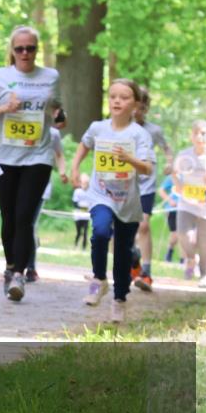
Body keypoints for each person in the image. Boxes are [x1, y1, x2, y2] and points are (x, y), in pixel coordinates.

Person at [0, 25, 62, 302]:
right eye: (20, 49)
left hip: (38, 156)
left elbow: (58, 110)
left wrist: (60, 116)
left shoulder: (51, 76)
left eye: (30, 48)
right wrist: (5, 109)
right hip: (5, 157)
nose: (25, 53)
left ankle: (19, 274)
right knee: (9, 217)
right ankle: (9, 267)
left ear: (37, 50)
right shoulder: (0, 77)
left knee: (25, 216)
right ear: (12, 51)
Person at [70, 79, 155, 323]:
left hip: (127, 201)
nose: (117, 101)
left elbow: (147, 168)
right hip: (100, 194)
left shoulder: (139, 134)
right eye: (113, 96)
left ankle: (119, 299)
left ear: (136, 105)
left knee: (123, 253)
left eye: (124, 97)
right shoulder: (98, 128)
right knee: (99, 231)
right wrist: (75, 167)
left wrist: (130, 159)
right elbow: (84, 146)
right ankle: (98, 280)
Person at [131, 88, 173, 292]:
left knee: (144, 226)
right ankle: (133, 263)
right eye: (134, 106)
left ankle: (146, 273)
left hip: (146, 183)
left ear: (145, 108)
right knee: (117, 230)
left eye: (140, 107)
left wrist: (170, 163)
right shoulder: (119, 127)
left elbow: (166, 148)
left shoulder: (154, 130)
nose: (136, 111)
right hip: (123, 183)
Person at [26, 105, 68, 282]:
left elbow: (59, 154)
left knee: (29, 224)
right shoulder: (24, 126)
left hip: (41, 185)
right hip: (19, 181)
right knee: (19, 224)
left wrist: (63, 171)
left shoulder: (54, 134)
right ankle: (28, 248)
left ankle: (30, 268)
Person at [173, 120, 206, 288]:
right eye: (196, 133)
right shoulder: (184, 154)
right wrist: (179, 187)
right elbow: (174, 173)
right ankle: (190, 259)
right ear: (191, 136)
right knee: (183, 234)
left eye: (203, 133)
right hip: (186, 203)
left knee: (205, 241)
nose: (199, 137)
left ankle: (204, 275)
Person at [157, 173, 180, 262]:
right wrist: (170, 201)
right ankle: (169, 252)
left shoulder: (190, 177)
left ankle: (184, 258)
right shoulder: (172, 176)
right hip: (173, 209)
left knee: (185, 234)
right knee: (175, 233)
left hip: (186, 209)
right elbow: (161, 190)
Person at [73, 173, 92, 250]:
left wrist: (88, 209)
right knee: (78, 232)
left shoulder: (90, 192)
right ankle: (75, 245)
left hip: (86, 216)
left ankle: (84, 248)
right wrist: (84, 208)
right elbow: (75, 203)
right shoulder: (77, 191)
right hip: (78, 216)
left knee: (85, 233)